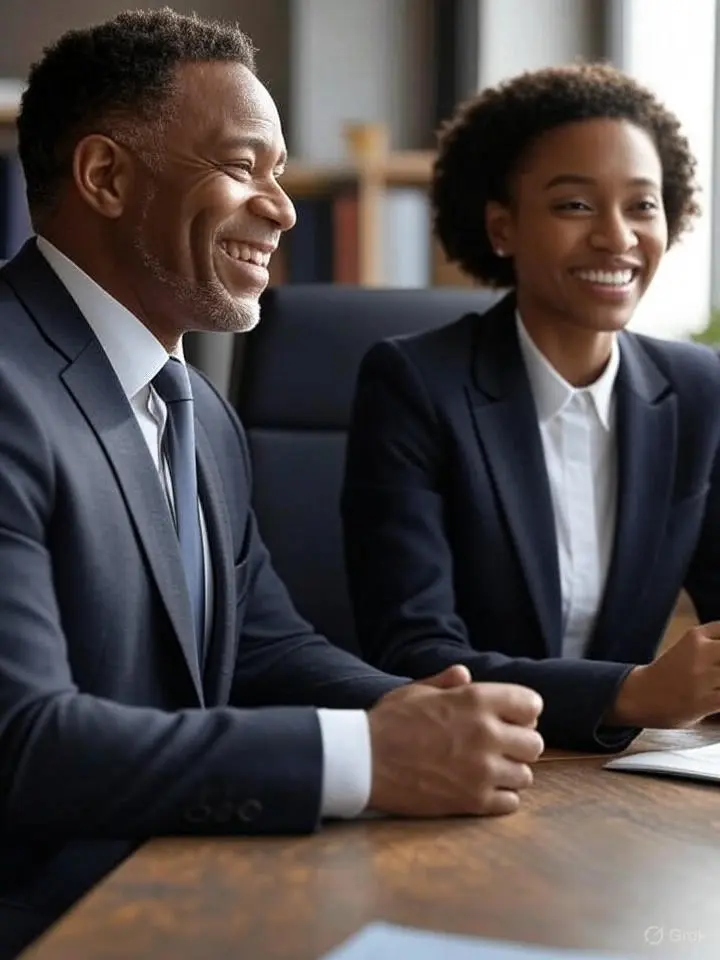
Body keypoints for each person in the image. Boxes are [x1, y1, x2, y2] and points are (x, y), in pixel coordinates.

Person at [0, 10, 545, 957]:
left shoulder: (199, 411)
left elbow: (260, 644)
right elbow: (26, 743)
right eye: (242, 168)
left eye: (281, 174)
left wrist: (420, 713)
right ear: (105, 176)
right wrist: (370, 761)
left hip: (191, 877)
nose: (284, 208)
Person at [342, 63, 720, 757]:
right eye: (575, 205)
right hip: (461, 768)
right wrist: (631, 692)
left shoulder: (700, 390)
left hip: (623, 785)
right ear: (503, 227)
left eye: (642, 205)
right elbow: (417, 653)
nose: (617, 237)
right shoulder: (415, 385)